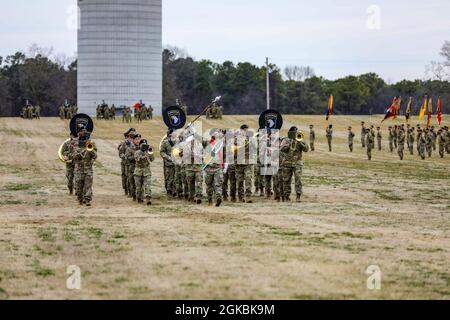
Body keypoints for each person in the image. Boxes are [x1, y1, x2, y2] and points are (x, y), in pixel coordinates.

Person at [280, 127, 309, 203]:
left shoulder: (300, 138)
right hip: (287, 163)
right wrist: (289, 144)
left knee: (298, 180)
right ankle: (286, 196)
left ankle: (298, 196)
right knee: (286, 180)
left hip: (297, 163)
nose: (295, 133)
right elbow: (282, 148)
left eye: (296, 132)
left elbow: (306, 149)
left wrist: (300, 142)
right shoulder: (286, 139)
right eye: (293, 132)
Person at [72, 128, 97, 206]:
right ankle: (80, 199)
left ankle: (87, 200)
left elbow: (95, 155)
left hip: (88, 169)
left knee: (88, 185)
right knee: (79, 186)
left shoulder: (90, 144)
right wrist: (78, 154)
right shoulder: (75, 144)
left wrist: (91, 150)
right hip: (79, 169)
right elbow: (73, 156)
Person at [203, 130, 224, 207]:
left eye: (217, 133)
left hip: (217, 167)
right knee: (209, 185)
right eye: (215, 133)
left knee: (218, 184)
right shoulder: (207, 143)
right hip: (209, 167)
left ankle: (218, 198)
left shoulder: (221, 143)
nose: (216, 134)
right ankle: (210, 200)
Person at [234, 125, 254, 203]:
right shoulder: (235, 139)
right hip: (239, 163)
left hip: (247, 162)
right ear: (241, 130)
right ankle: (240, 196)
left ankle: (248, 196)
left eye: (247, 130)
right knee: (240, 181)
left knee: (248, 179)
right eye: (244, 130)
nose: (245, 131)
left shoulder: (250, 139)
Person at [134, 139, 155, 205]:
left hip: (147, 171)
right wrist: (145, 155)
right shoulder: (137, 152)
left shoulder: (148, 152)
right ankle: (139, 198)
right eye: (143, 144)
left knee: (147, 185)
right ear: (140, 145)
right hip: (138, 171)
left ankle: (148, 198)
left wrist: (150, 152)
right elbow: (138, 159)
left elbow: (152, 159)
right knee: (139, 187)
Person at [118, 128, 136, 196]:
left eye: (134, 132)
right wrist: (124, 157)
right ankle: (126, 190)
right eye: (131, 132)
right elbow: (120, 153)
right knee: (125, 176)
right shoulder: (124, 142)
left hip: (133, 163)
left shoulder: (137, 141)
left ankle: (133, 191)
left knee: (132, 177)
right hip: (125, 162)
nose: (133, 133)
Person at [160, 130, 176, 197]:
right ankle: (169, 191)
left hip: (176, 163)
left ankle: (175, 191)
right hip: (168, 164)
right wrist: (168, 158)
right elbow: (162, 152)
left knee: (176, 178)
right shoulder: (165, 143)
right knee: (169, 178)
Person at [125, 133, 141, 201]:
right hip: (132, 168)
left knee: (140, 183)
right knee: (133, 183)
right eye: (136, 139)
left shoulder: (142, 147)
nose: (138, 141)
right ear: (133, 140)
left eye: (139, 139)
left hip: (140, 168)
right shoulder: (130, 148)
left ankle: (140, 196)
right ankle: (134, 195)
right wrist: (135, 157)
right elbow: (127, 157)